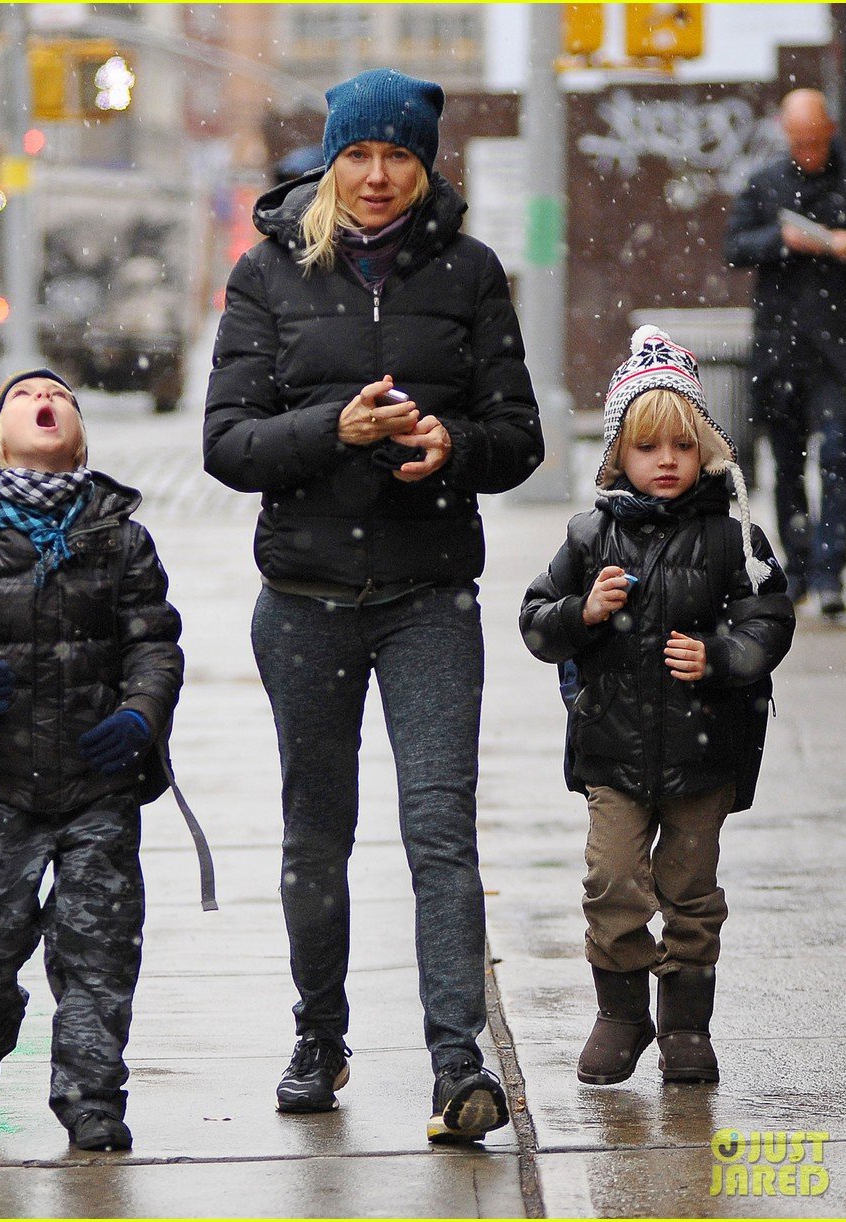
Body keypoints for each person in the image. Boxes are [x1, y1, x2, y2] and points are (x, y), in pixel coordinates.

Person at [204, 67, 544, 1142]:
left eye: (398, 154)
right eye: (359, 154)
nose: (379, 175)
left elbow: (519, 436)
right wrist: (330, 433)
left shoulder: (474, 273)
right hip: (303, 597)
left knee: (440, 831)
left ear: (425, 163)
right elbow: (226, 444)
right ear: (330, 161)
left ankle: (457, 1060)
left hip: (428, 595)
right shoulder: (268, 274)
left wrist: (454, 449)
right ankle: (321, 1034)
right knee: (318, 833)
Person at [0, 370, 184, 1151]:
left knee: (97, 951)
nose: (46, 401)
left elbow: (152, 645)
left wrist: (141, 712)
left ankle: (92, 1098)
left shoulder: (122, 540)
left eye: (61, 397)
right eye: (27, 397)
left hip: (99, 788)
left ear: (81, 436)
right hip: (0, 789)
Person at [519, 327, 795, 1086]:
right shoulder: (589, 535)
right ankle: (619, 1012)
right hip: (612, 748)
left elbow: (769, 619)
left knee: (690, 888)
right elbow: (535, 622)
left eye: (680, 444)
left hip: (704, 752)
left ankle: (684, 1025)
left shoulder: (734, 537)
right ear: (616, 457)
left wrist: (721, 657)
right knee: (610, 881)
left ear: (703, 447)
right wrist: (582, 612)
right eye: (646, 448)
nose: (665, 461)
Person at [724, 87, 846, 617]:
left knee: (836, 458)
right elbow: (734, 247)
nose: (808, 150)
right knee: (787, 463)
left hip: (842, 351)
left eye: (815, 140)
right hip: (781, 349)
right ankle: (801, 569)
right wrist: (785, 239)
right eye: (799, 141)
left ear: (829, 130)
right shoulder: (766, 183)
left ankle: (831, 575)